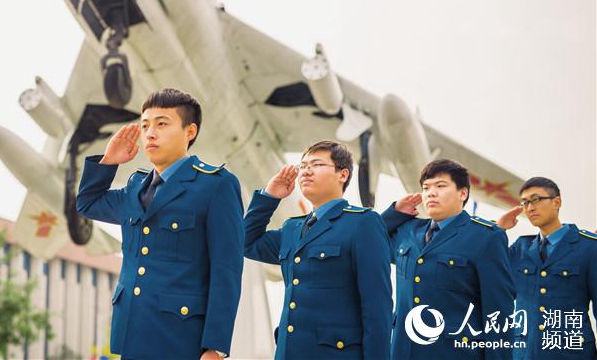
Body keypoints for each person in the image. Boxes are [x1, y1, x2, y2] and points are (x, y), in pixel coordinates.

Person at [76, 88, 243, 360]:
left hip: (182, 338)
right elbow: (87, 203)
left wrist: (215, 347)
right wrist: (109, 162)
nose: (150, 133)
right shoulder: (134, 187)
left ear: (190, 131)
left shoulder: (216, 185)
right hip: (131, 333)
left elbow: (227, 271)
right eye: (145, 125)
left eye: (162, 124)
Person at [244, 140, 391, 359]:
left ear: (343, 174)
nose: (306, 171)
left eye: (317, 165)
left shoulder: (363, 223)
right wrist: (269, 196)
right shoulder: (292, 228)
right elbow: (247, 242)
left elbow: (377, 309)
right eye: (302, 166)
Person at [383, 158, 515, 360]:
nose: (431, 193)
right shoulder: (407, 231)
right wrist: (394, 213)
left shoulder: (486, 237)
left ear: (463, 193)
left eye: (440, 186)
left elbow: (498, 314)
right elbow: (367, 244)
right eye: (426, 188)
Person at [497, 177, 597, 359]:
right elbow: (479, 267)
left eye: (535, 200)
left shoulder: (589, 247)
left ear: (556, 202)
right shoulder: (520, 248)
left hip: (571, 352)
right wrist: (497, 230)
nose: (530, 208)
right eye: (525, 203)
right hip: (525, 353)